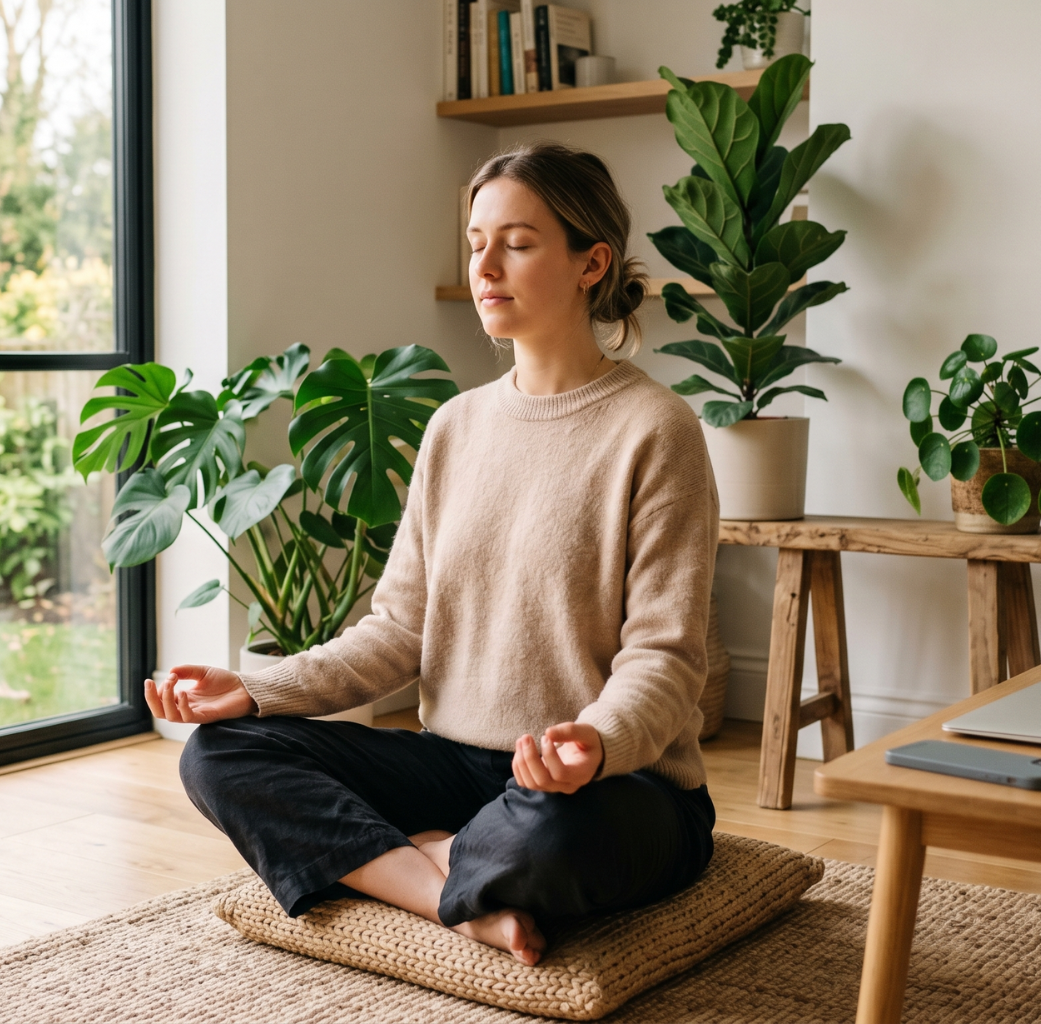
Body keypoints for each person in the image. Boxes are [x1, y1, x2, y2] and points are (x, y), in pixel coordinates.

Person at [149, 142, 719, 966]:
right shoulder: (456, 426)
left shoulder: (657, 429)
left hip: (606, 785)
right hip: (455, 764)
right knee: (220, 754)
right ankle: (446, 889)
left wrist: (594, 744)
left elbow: (665, 657)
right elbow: (398, 630)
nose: (485, 266)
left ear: (591, 263)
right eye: (476, 242)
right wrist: (256, 689)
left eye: (517, 243)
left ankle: (417, 854)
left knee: (546, 840)